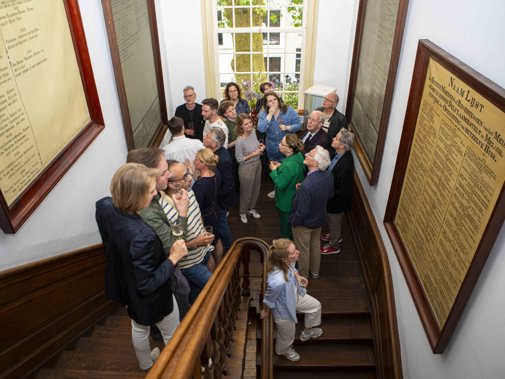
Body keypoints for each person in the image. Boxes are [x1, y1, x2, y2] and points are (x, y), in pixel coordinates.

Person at [95, 163, 189, 371]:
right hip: (153, 297)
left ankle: (146, 365)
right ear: (135, 196)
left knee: (138, 326)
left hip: (126, 286)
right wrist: (173, 258)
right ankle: (177, 369)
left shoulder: (104, 206)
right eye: (150, 191)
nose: (155, 192)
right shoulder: (141, 236)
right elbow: (147, 284)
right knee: (172, 333)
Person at [126, 148, 191, 319]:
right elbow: (173, 247)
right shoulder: (147, 211)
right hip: (164, 274)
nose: (169, 175)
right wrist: (182, 214)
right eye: (164, 172)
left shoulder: (152, 197)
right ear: (148, 177)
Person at [159, 160, 215, 303]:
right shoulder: (164, 210)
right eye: (184, 176)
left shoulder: (188, 192)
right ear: (171, 184)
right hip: (189, 263)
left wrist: (204, 237)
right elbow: (171, 247)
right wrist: (194, 243)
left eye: (188, 173)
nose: (190, 178)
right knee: (214, 287)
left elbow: (198, 215)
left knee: (197, 294)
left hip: (204, 251)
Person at [261, 238, 323, 362]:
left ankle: (307, 331)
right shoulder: (277, 281)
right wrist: (266, 310)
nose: (298, 252)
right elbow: (269, 298)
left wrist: (298, 276)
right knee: (287, 334)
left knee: (315, 306)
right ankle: (283, 350)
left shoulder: (287, 262)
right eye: (294, 252)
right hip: (283, 309)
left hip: (295, 295)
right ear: (285, 259)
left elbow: (292, 269)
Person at [290, 146, 333, 278]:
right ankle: (315, 272)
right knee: (315, 246)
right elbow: (330, 195)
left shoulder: (307, 185)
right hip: (319, 219)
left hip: (304, 223)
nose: (306, 154)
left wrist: (293, 222)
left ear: (315, 162)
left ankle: (303, 277)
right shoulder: (328, 175)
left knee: (303, 250)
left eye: (310, 154)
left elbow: (301, 212)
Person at [321, 129, 355, 255]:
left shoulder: (346, 165)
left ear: (342, 145)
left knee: (334, 221)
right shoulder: (338, 153)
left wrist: (328, 195)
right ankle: (333, 234)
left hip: (336, 202)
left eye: (336, 138)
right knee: (331, 221)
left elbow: (343, 190)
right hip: (331, 197)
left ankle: (334, 244)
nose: (333, 139)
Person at [203, 128, 235, 252]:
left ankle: (230, 250)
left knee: (222, 226)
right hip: (218, 200)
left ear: (215, 144)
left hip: (220, 202)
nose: (205, 137)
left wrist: (215, 198)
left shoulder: (223, 159)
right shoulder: (214, 153)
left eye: (208, 137)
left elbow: (228, 185)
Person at [269, 134, 306, 239]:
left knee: (286, 230)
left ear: (289, 149)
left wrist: (274, 170)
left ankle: (286, 248)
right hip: (295, 197)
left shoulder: (289, 165)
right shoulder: (298, 156)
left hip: (286, 201)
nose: (279, 145)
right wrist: (281, 167)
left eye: (282, 143)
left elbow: (280, 184)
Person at [235, 113, 265, 223]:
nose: (249, 126)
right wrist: (254, 153)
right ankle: (242, 212)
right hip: (246, 168)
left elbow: (256, 147)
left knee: (256, 189)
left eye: (250, 123)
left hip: (258, 164)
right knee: (246, 191)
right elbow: (239, 159)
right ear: (241, 126)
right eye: (246, 124)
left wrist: (261, 148)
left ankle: (251, 209)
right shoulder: (240, 140)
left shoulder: (253, 132)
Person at [257, 92, 301, 163]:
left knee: (286, 169)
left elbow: (298, 125)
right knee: (274, 170)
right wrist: (270, 114)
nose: (273, 102)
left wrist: (287, 127)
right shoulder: (263, 114)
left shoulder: (289, 110)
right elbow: (261, 129)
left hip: (287, 148)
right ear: (267, 104)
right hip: (271, 148)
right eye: (270, 101)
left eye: (275, 99)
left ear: (278, 100)